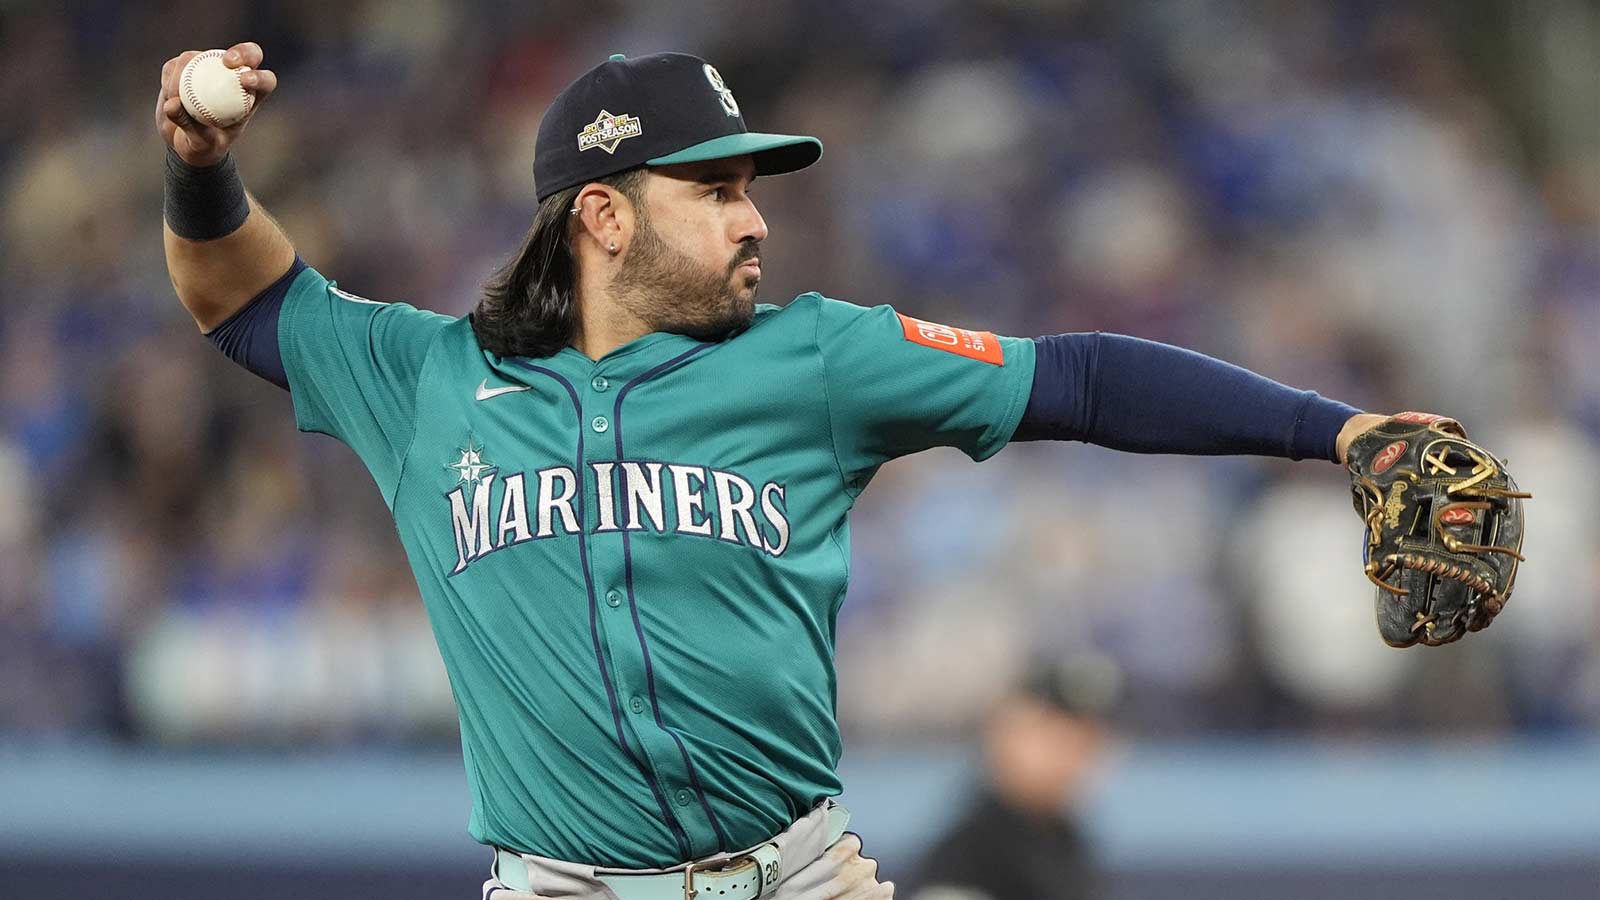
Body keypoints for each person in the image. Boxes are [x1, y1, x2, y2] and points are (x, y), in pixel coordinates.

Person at [156, 43, 1393, 900]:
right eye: (714, 188)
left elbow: (1074, 379)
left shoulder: (815, 355)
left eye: (751, 189)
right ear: (601, 216)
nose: (753, 218)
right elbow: (245, 300)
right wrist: (200, 167)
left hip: (797, 873)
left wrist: (1337, 434)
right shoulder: (429, 380)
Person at [908, 654, 1122, 900]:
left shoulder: (1066, 840)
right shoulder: (968, 857)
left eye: (1084, 740)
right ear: (1003, 733)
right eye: (1053, 737)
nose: (1071, 757)